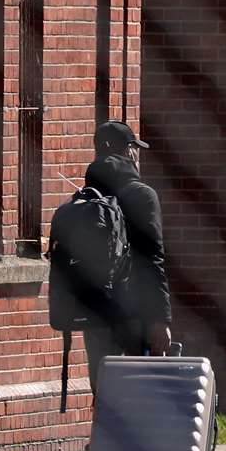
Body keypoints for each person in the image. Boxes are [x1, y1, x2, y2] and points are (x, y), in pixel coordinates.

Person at [82, 120, 171, 395]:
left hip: (94, 308)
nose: (137, 154)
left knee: (103, 387)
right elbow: (152, 259)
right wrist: (160, 319)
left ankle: (102, 437)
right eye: (134, 147)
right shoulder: (142, 196)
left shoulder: (86, 197)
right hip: (134, 309)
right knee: (140, 390)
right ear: (127, 151)